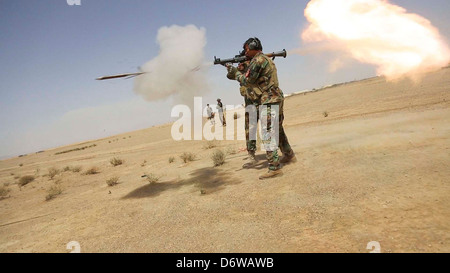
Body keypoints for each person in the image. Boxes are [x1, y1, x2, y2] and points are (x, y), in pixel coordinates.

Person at [226, 37, 296, 179]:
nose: (246, 52)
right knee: (278, 128)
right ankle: (288, 154)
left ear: (253, 47)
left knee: (267, 132)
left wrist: (235, 73)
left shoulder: (258, 61)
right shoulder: (264, 59)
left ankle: (274, 167)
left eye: (247, 49)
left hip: (269, 98)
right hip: (276, 96)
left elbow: (247, 80)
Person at [237, 60, 260, 168]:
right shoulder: (243, 74)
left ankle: (286, 151)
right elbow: (243, 91)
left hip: (262, 102)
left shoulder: (257, 66)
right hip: (250, 105)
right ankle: (251, 155)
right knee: (250, 130)